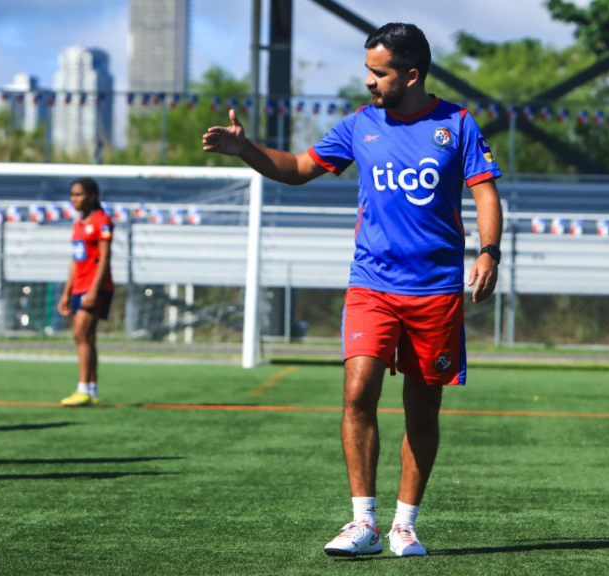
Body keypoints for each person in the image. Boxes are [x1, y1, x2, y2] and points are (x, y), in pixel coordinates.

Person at [203, 22, 503, 558]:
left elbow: (484, 191)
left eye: (379, 72)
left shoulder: (456, 124)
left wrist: (489, 250)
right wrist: (245, 148)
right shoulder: (358, 126)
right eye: (368, 69)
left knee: (422, 411)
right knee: (357, 390)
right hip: (371, 284)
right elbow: (297, 168)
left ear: (410, 74)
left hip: (435, 292)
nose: (368, 81)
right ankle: (362, 522)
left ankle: (404, 526)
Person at [57, 177, 114, 407]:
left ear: (92, 196)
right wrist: (66, 292)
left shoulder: (102, 221)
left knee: (80, 334)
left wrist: (93, 290)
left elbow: (105, 258)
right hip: (79, 287)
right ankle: (91, 389)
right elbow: (76, 260)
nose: (74, 199)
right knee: (87, 338)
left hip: (95, 288)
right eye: (72, 194)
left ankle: (82, 389)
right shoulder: (78, 224)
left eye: (79, 194)